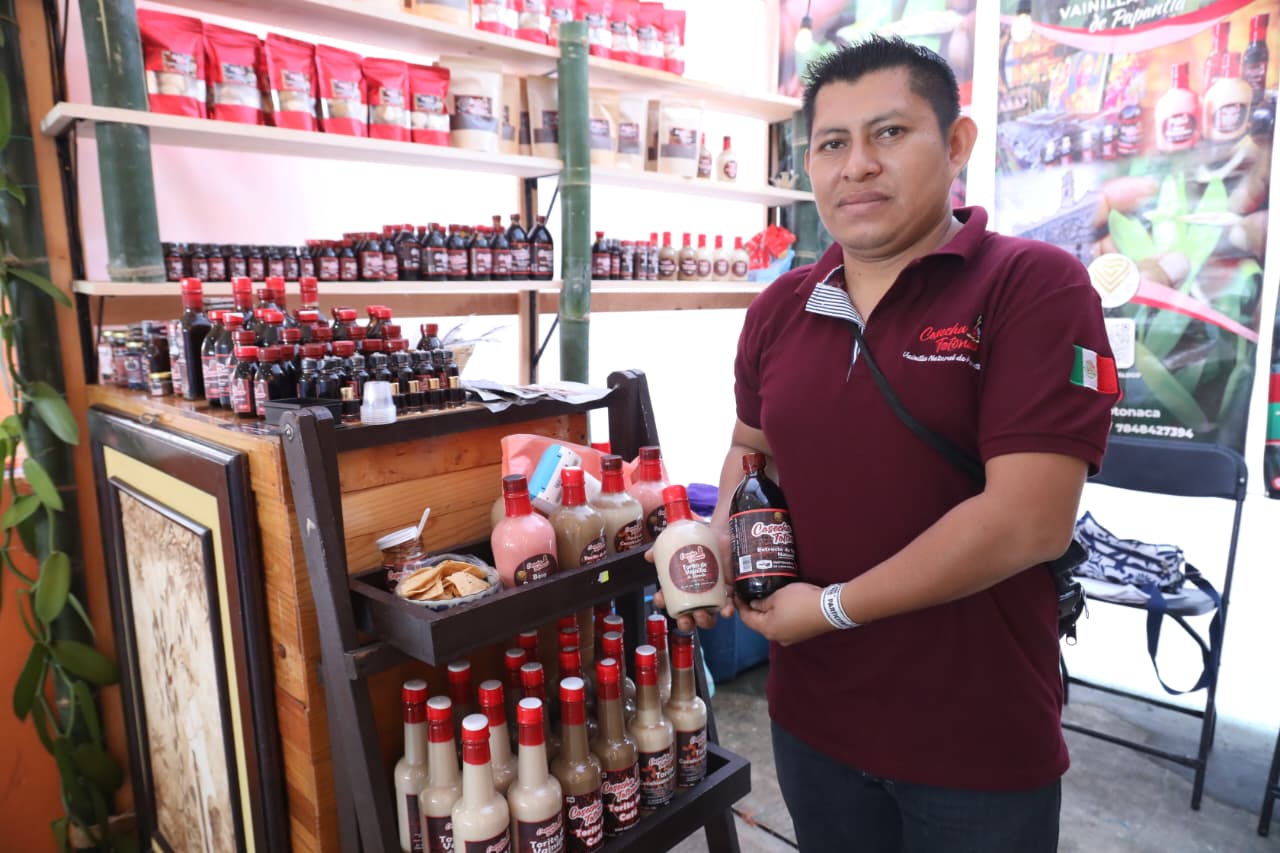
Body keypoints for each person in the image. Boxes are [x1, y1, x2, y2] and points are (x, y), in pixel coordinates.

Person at [654, 36, 1118, 852]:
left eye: (890, 132)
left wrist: (832, 608)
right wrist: (725, 536)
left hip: (973, 735)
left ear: (957, 143)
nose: (857, 165)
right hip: (814, 721)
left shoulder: (1032, 285)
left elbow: (1030, 520)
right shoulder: (780, 308)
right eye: (833, 143)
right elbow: (752, 449)